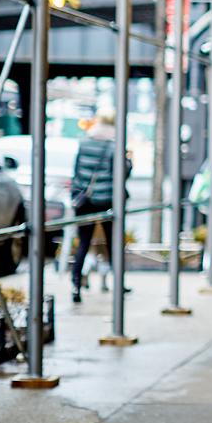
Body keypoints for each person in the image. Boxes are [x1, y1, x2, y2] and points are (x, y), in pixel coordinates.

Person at [70, 110, 129, 304]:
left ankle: (75, 284)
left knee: (84, 242)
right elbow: (122, 173)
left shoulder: (84, 142)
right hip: (106, 200)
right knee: (113, 242)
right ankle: (119, 282)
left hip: (84, 200)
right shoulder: (114, 145)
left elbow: (77, 171)